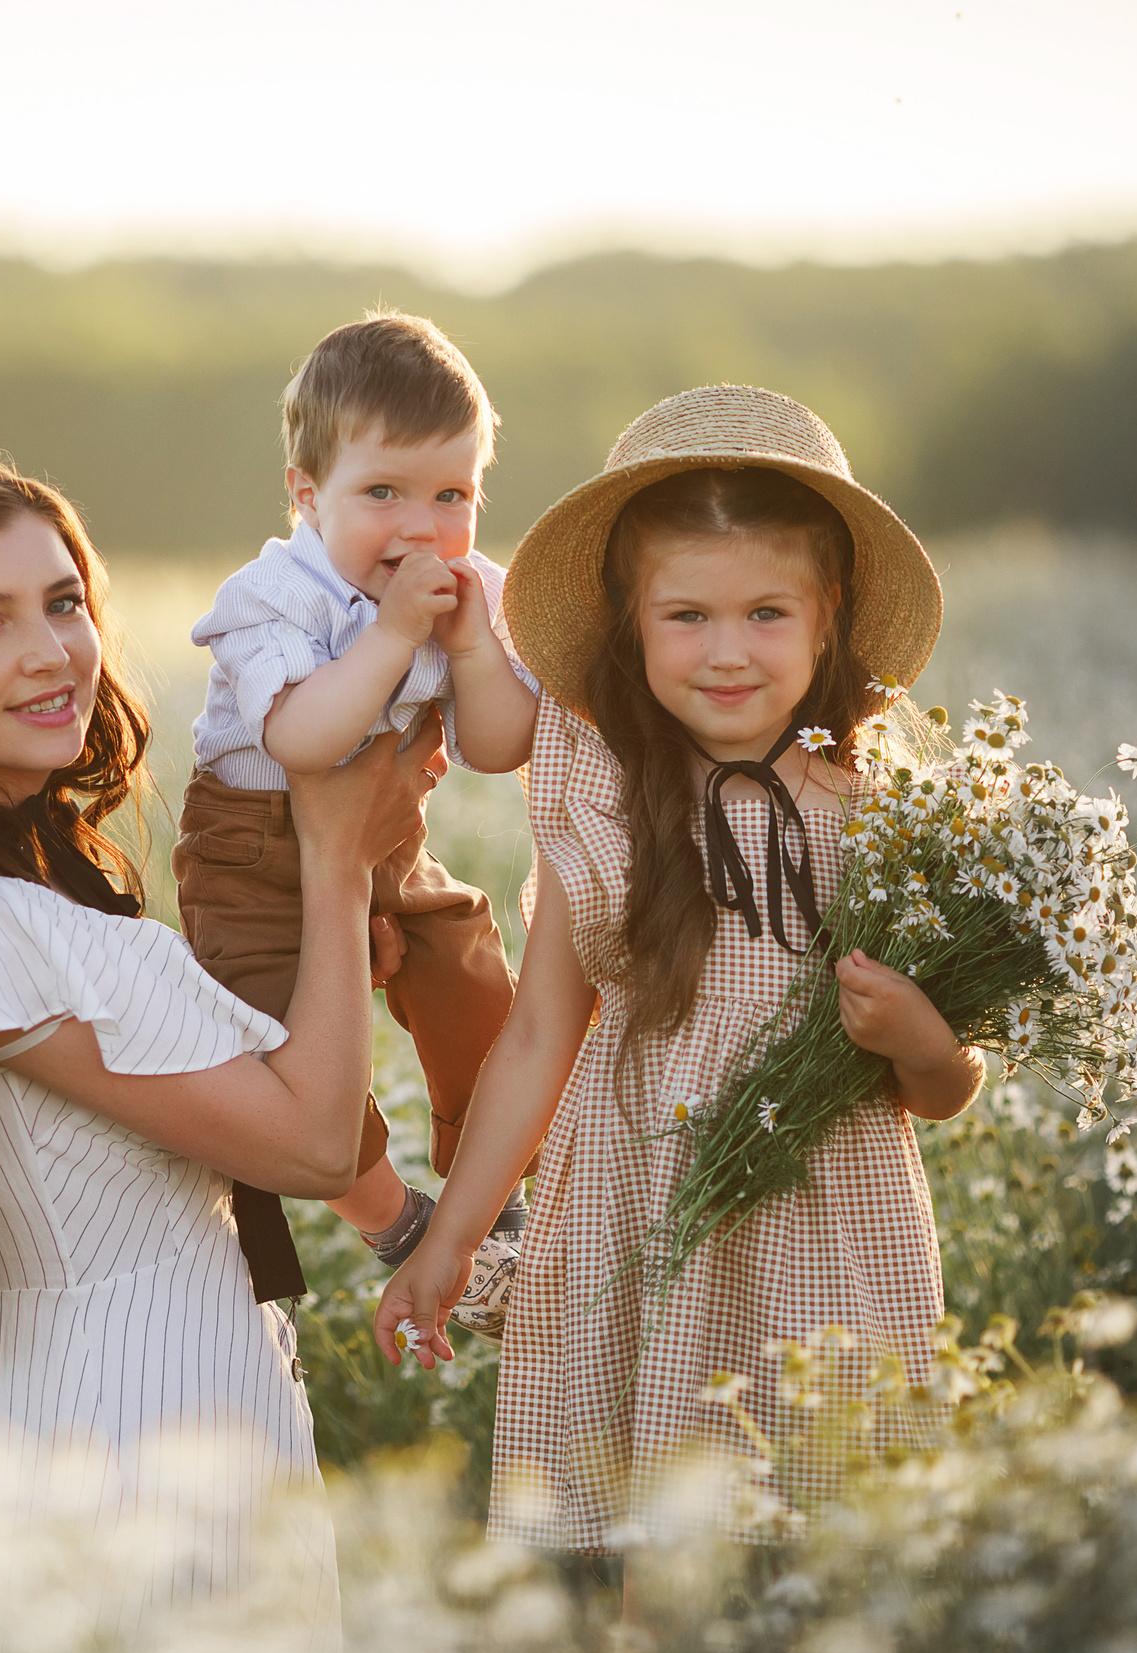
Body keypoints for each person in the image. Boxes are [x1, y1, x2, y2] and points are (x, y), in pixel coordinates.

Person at [0, 455, 439, 1653]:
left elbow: (278, 1121)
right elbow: (307, 1147)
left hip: (80, 1403)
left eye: (64, 603)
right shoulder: (11, 936)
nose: (50, 652)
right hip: (137, 1438)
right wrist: (334, 860)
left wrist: (418, 1235)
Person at [372, 386, 981, 1572]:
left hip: (825, 1215)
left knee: (821, 1547)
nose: (726, 651)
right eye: (686, 615)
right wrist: (447, 1243)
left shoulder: (886, 816)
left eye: (765, 612)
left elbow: (944, 1090)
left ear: (827, 619)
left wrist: (916, 1035)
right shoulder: (597, 789)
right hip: (631, 1210)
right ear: (630, 623)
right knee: (650, 1553)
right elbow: (541, 1034)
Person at [177, 313, 538, 1309]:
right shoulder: (271, 598)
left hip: (382, 842)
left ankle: (491, 1187)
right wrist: (389, 636)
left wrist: (468, 648)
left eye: (451, 495)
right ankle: (392, 1216)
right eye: (382, 493)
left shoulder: (468, 590)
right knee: (271, 1043)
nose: (421, 526)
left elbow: (502, 747)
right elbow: (302, 739)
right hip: (250, 855)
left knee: (467, 959)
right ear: (306, 496)